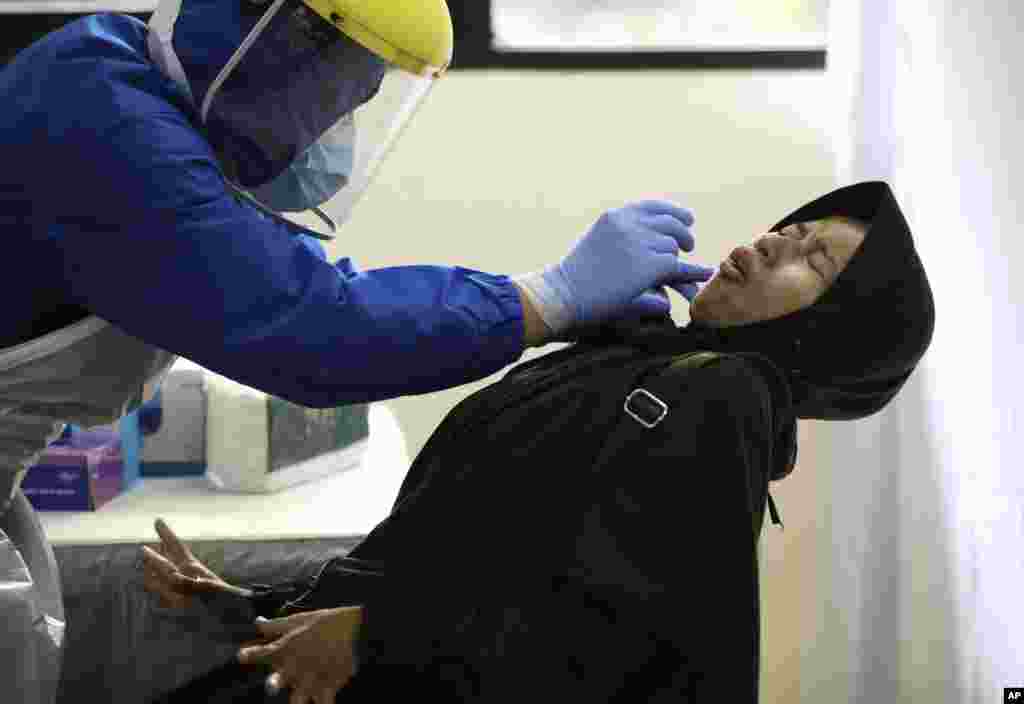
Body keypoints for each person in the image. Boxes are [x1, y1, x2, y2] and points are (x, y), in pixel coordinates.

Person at [0, 0, 719, 701]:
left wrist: (545, 305)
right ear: (279, 39)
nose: (331, 133)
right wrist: (548, 298)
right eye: (337, 95)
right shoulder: (107, 122)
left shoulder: (119, 86)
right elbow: (312, 322)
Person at [140, 181, 937, 702]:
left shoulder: (724, 396)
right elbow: (471, 548)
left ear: (833, 331)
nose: (773, 243)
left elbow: (609, 622)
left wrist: (378, 635)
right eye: (791, 229)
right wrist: (255, 606)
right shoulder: (640, 363)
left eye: (813, 260)